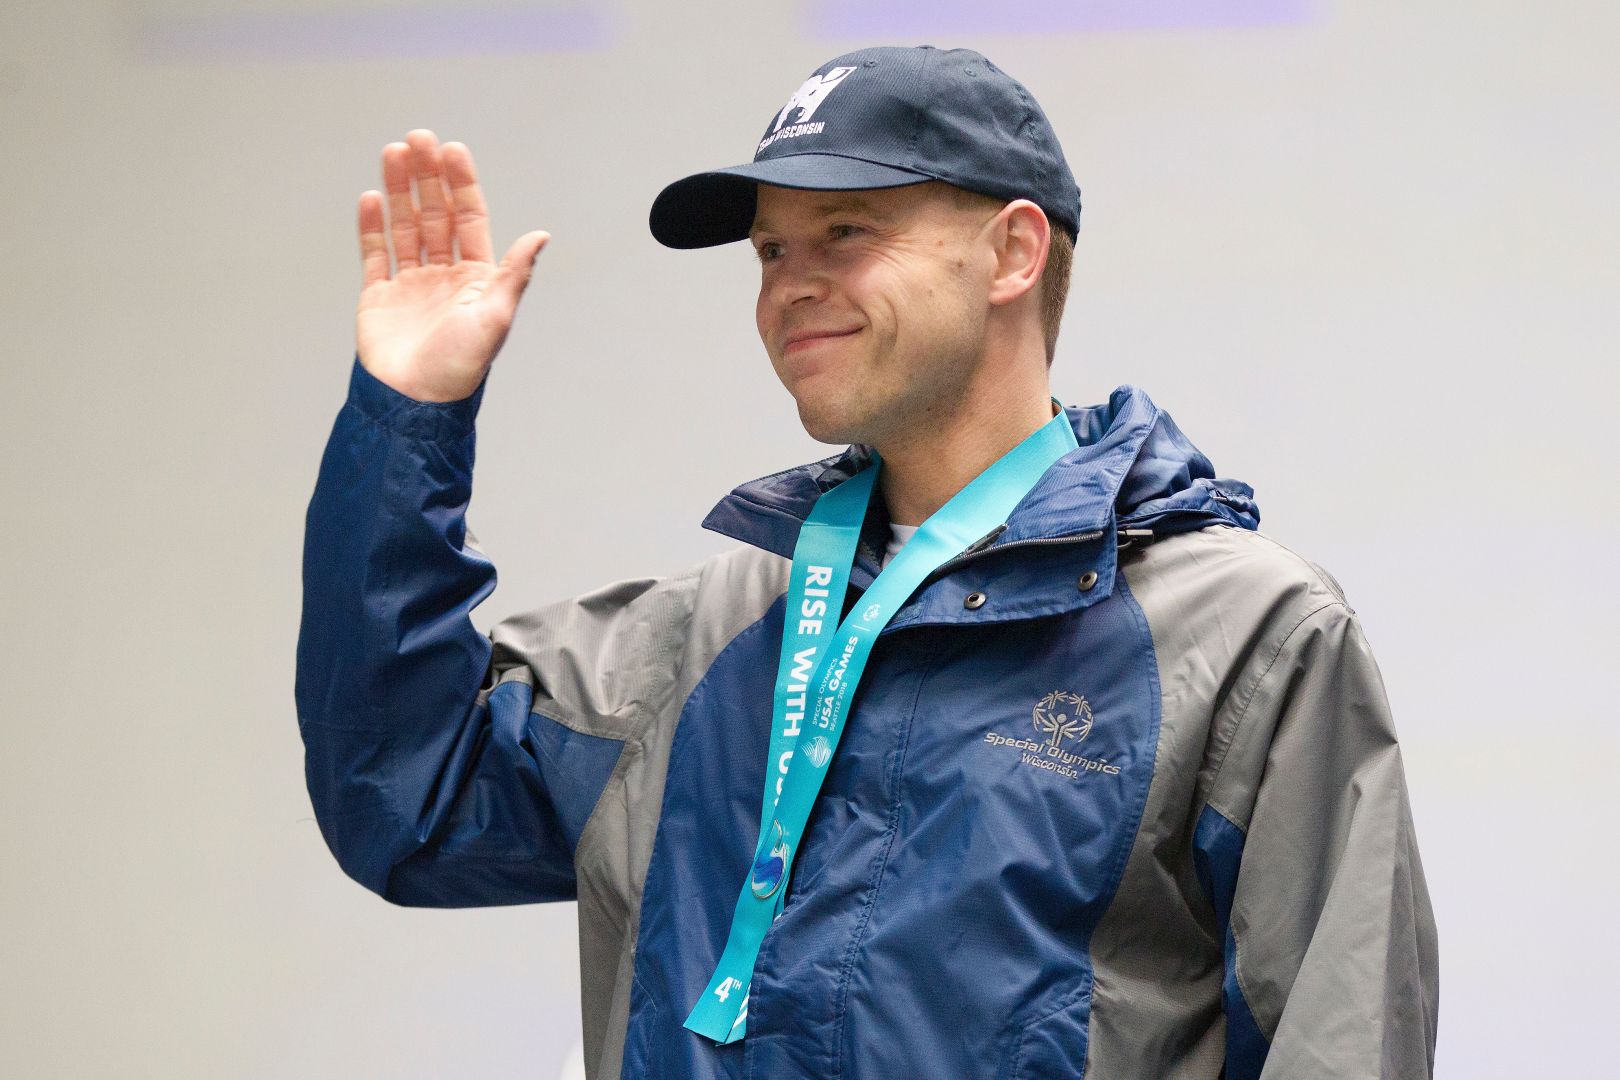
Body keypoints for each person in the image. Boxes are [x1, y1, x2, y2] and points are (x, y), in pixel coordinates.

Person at [297, 44, 1438, 1080]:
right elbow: (406, 798)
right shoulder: (708, 637)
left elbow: (1342, 1048)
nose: (789, 282)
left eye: (845, 232)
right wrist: (410, 418)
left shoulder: (1245, 637)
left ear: (1013, 250)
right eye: (771, 249)